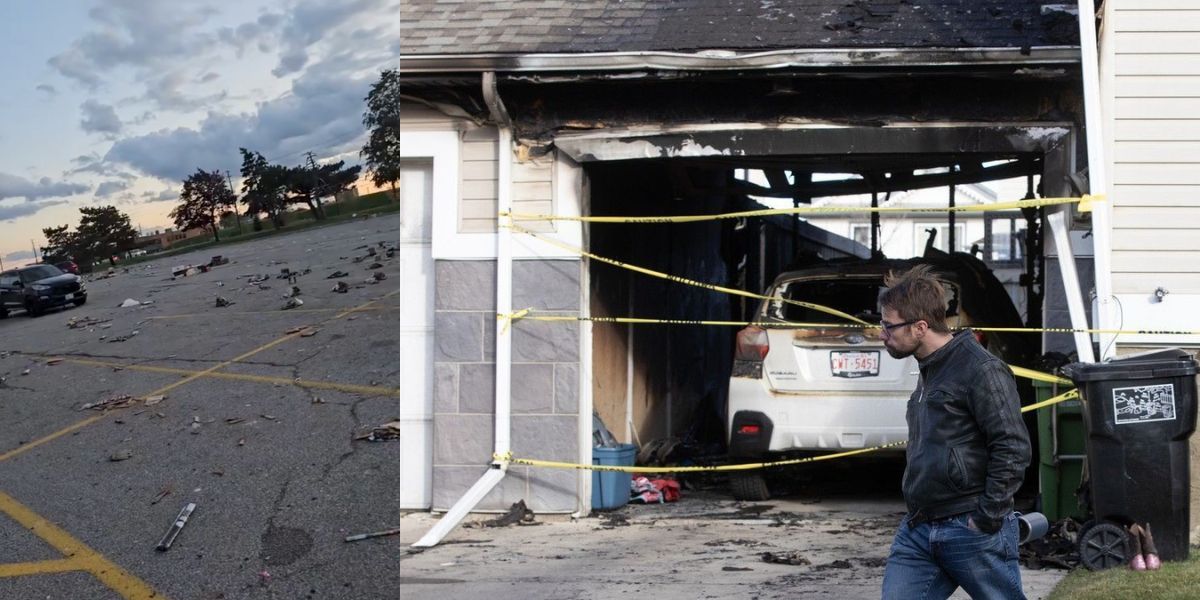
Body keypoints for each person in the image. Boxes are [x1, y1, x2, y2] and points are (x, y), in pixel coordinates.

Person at [878, 265, 1031, 600]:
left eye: (889, 326)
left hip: (971, 528)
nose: (882, 334)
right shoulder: (929, 369)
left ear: (920, 327)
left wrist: (986, 518)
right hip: (919, 528)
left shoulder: (981, 369)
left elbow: (1013, 446)